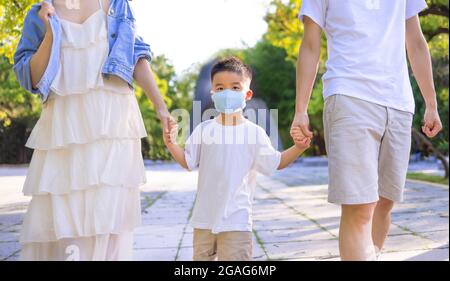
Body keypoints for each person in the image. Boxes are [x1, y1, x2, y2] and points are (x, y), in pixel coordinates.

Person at [13, 0, 172, 261]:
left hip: (114, 125)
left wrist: (161, 108)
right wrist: (51, 32)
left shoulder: (118, 5)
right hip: (64, 129)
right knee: (63, 217)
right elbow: (30, 77)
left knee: (108, 219)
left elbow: (136, 55)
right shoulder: (40, 12)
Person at [292, 0, 443, 260]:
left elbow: (416, 41)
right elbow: (310, 45)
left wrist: (430, 103)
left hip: (398, 102)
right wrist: (300, 109)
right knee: (360, 207)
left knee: (385, 201)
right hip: (349, 93)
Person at [163, 57, 311, 261]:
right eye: (220, 87)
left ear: (247, 94)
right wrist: (171, 144)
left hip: (237, 221)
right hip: (204, 220)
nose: (227, 93)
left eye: (235, 87)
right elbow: (188, 161)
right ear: (213, 92)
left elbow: (276, 162)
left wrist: (298, 147)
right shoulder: (204, 130)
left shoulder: (254, 133)